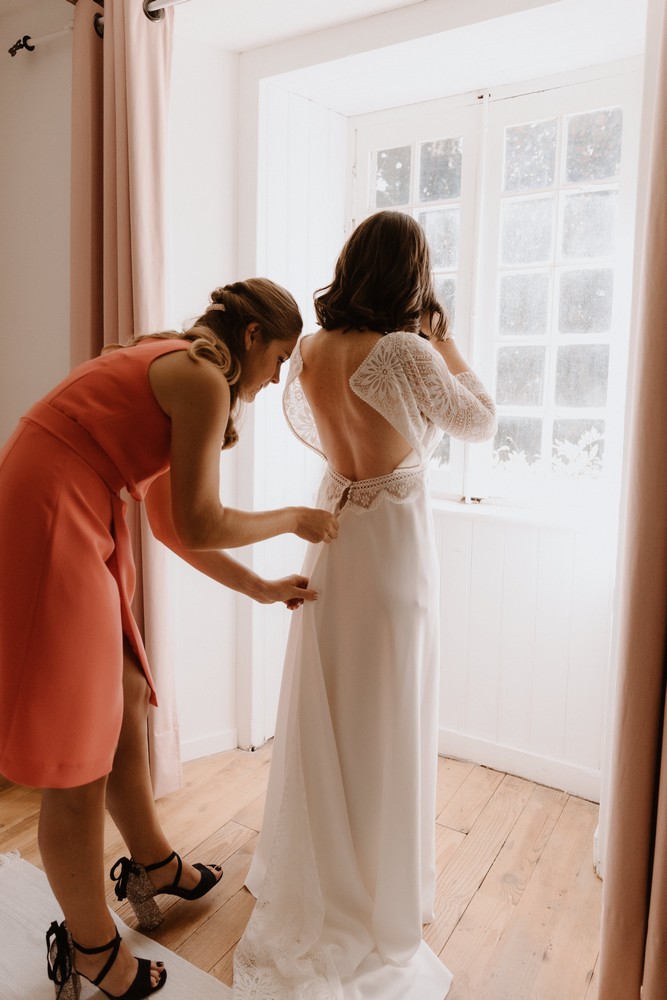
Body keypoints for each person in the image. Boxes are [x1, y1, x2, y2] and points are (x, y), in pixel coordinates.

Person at [0, 278, 339, 1000]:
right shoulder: (200, 377)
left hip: (67, 497)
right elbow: (203, 521)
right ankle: (91, 946)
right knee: (78, 748)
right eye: (279, 358)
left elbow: (169, 524)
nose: (278, 377)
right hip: (54, 505)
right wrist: (290, 518)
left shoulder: (178, 360)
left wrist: (259, 587)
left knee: (123, 690)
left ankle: (152, 864)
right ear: (252, 338)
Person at [232, 213, 497, 999]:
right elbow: (478, 421)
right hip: (392, 555)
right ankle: (376, 890)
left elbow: (320, 435)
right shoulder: (407, 351)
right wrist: (443, 337)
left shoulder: (310, 350)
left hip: (335, 536)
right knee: (389, 710)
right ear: (410, 278)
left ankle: (324, 868)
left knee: (336, 709)